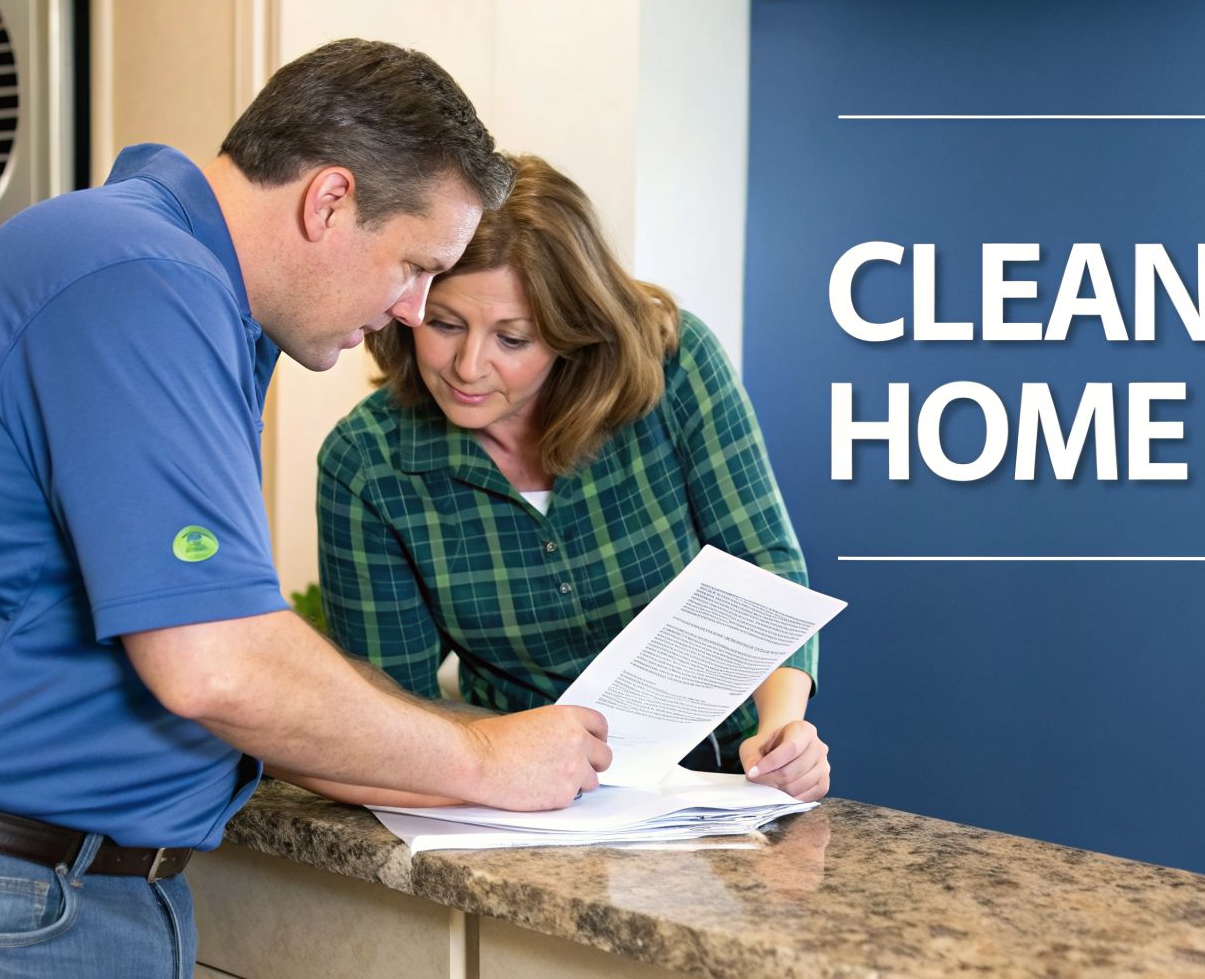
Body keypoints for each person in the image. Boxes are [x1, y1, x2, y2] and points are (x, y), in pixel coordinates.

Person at [0, 40, 611, 978]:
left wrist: (468, 748)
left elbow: (230, 649)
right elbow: (216, 667)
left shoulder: (159, 277)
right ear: (328, 200)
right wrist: (486, 760)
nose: (414, 310)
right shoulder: (136, 279)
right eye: (414, 265)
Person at [315, 154, 829, 804]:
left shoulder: (676, 367)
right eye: (445, 325)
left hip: (716, 783)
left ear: (570, 333)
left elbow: (762, 572)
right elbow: (392, 708)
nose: (469, 367)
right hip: (516, 798)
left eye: (514, 338)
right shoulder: (366, 463)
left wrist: (784, 727)